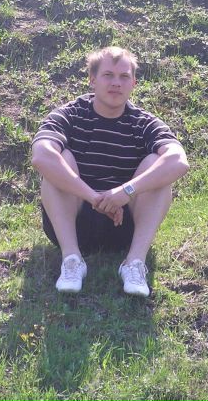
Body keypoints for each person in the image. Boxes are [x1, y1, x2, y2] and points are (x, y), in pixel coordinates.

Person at [30, 46, 189, 296]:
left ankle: (134, 263)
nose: (116, 83)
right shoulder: (69, 115)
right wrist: (95, 198)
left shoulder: (144, 122)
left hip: (125, 227)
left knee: (156, 164)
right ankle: (72, 260)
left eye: (124, 77)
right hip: (74, 223)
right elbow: (41, 156)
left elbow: (178, 161)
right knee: (61, 159)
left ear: (134, 83)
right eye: (108, 75)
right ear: (92, 79)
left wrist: (125, 192)